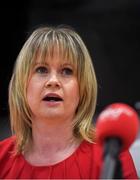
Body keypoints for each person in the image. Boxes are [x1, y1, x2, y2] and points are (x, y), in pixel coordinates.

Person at [0, 25, 138, 179]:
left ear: (83, 88)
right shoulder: (2, 159)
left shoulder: (111, 160)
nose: (53, 81)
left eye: (67, 71)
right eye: (41, 69)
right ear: (22, 84)